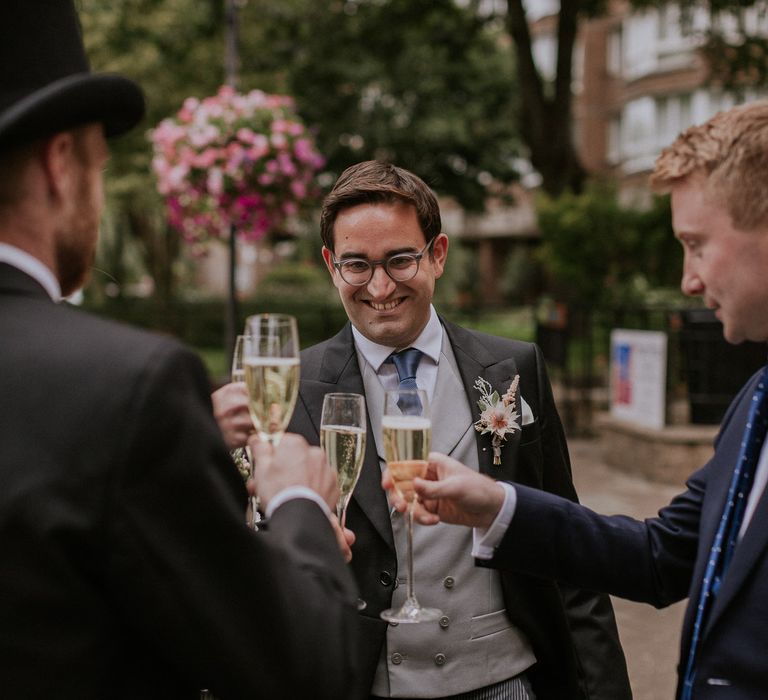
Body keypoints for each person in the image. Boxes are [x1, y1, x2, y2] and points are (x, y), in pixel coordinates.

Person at [0, 2, 360, 698]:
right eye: (101, 168)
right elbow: (305, 668)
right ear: (60, 162)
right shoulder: (129, 386)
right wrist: (299, 507)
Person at [386, 102, 768, 700]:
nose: (688, 279)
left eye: (697, 244)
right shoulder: (757, 401)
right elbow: (660, 555)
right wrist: (497, 504)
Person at [215, 161, 631, 699]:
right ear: (330, 265)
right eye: (357, 265)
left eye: (400, 259)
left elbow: (567, 547)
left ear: (436, 254)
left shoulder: (513, 367)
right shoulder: (290, 389)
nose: (380, 286)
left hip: (503, 680)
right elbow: (243, 553)